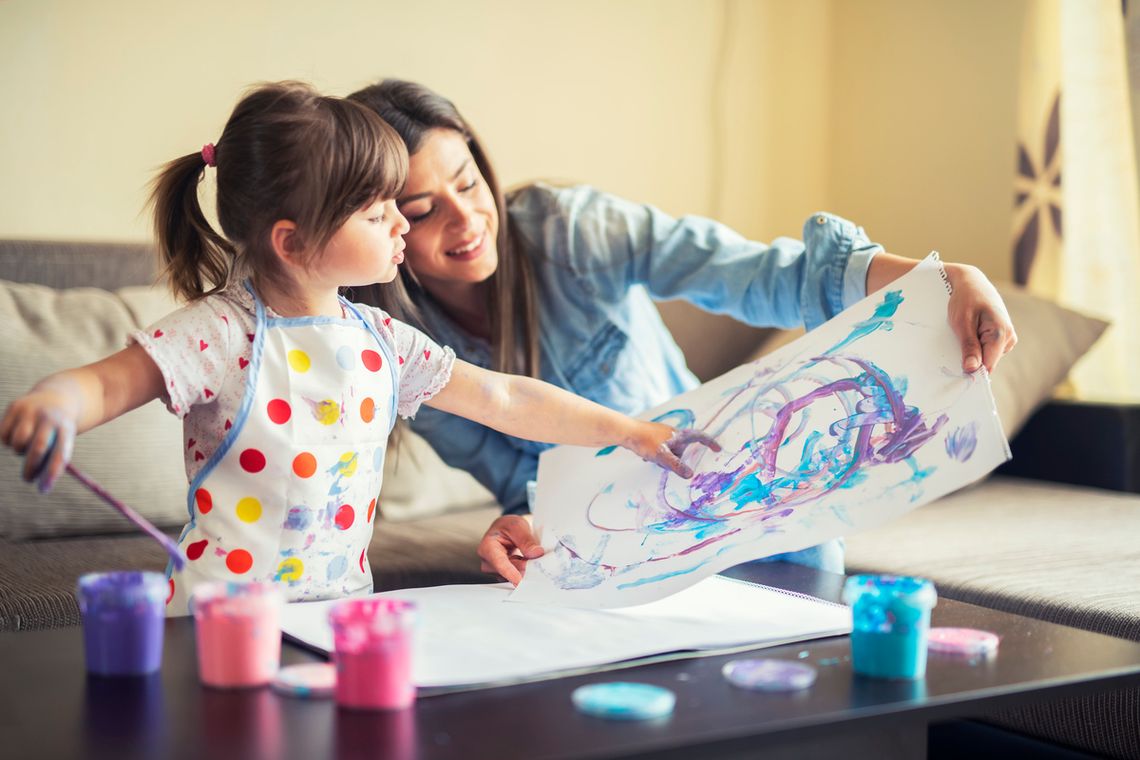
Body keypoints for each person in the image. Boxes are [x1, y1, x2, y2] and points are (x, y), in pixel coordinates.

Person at [0, 82, 715, 614]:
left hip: (344, 609)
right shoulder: (222, 332)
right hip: (219, 617)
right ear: (295, 241)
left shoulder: (384, 341)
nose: (399, 228)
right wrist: (56, 401)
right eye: (379, 213)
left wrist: (627, 431)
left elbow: (503, 396)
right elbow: (107, 382)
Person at [347, 79, 1018, 584]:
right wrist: (542, 526)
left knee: (807, 556)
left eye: (469, 184)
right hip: (589, 531)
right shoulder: (401, 345)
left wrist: (940, 280)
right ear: (382, 223)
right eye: (423, 209)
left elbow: (759, 274)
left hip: (717, 481)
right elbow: (513, 472)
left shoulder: (570, 230)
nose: (465, 221)